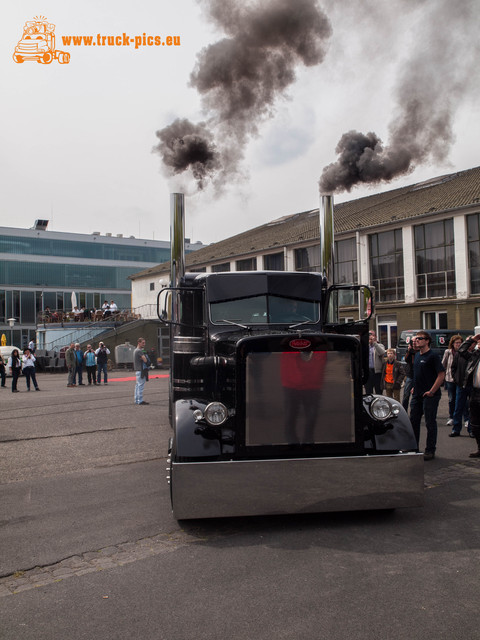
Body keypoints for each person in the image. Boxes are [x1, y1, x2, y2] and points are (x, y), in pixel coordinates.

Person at [409, 331, 446, 460]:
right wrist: (414, 387)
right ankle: (413, 447)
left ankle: (430, 450)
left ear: (427, 341)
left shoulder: (433, 356)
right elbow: (417, 374)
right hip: (417, 394)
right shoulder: (418, 355)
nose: (417, 340)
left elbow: (441, 374)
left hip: (430, 395)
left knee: (430, 422)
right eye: (416, 339)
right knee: (413, 421)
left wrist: (432, 391)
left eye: (420, 338)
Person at [456, 334, 480, 457]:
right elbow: (461, 350)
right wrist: (472, 339)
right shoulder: (475, 356)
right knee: (475, 423)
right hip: (475, 392)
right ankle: (479, 448)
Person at [451, 338, 474, 437]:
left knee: (471, 409)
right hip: (460, 385)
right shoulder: (458, 354)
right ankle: (456, 429)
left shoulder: (475, 355)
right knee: (458, 408)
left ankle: (471, 430)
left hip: (472, 385)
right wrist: (456, 379)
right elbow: (453, 367)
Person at [442, 335, 463, 427]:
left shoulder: (463, 352)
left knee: (461, 399)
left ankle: (463, 418)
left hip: (460, 379)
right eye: (456, 343)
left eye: (459, 342)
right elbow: (443, 364)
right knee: (451, 399)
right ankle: (451, 417)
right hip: (450, 378)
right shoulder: (448, 352)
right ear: (453, 344)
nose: (458, 344)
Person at [402, 337, 420, 411]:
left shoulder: (420, 351)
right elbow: (407, 360)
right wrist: (409, 351)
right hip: (410, 375)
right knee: (406, 395)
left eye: (415, 341)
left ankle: (416, 411)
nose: (414, 343)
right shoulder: (409, 351)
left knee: (417, 395)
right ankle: (404, 411)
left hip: (418, 375)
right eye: (412, 342)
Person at [134, 337, 149, 405]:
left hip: (137, 370)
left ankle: (136, 399)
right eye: (143, 343)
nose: (144, 344)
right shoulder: (139, 351)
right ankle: (140, 400)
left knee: (137, 385)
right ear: (139, 343)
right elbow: (145, 360)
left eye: (144, 343)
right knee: (140, 386)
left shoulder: (135, 350)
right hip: (141, 370)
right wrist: (144, 358)